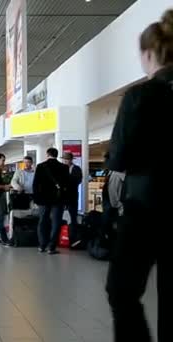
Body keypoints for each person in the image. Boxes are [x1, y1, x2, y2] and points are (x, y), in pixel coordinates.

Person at [106, 10, 173, 342]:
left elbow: (119, 156)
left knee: (122, 291)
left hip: (146, 207)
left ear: (149, 54)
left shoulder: (140, 97)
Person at [32, 148, 69, 254]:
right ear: (57, 155)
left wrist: (36, 198)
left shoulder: (40, 166)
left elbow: (35, 184)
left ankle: (42, 245)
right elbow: (67, 185)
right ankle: (51, 247)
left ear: (47, 154)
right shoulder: (64, 167)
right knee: (56, 222)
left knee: (43, 221)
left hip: (43, 199)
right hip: (58, 199)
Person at [61, 152, 82, 243]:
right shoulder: (60, 168)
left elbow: (77, 180)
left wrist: (66, 180)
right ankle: (61, 236)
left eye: (67, 159)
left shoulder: (76, 169)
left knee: (73, 216)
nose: (65, 161)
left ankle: (73, 237)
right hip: (61, 196)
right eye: (64, 159)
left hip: (72, 196)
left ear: (71, 160)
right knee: (59, 216)